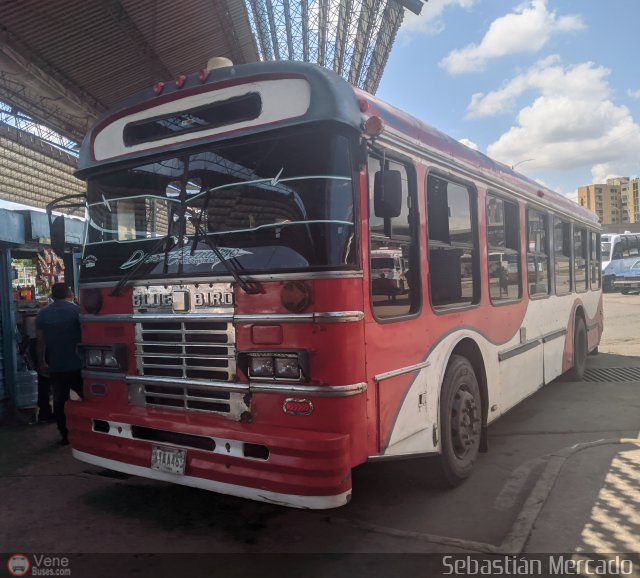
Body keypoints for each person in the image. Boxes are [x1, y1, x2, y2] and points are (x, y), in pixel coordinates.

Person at [36, 283, 83, 445]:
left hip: (57, 365)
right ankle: (89, 432)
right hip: (79, 364)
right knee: (89, 399)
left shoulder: (43, 314)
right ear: (69, 293)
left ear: (52, 295)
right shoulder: (77, 311)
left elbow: (40, 343)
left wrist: (42, 363)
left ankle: (64, 435)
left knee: (59, 402)